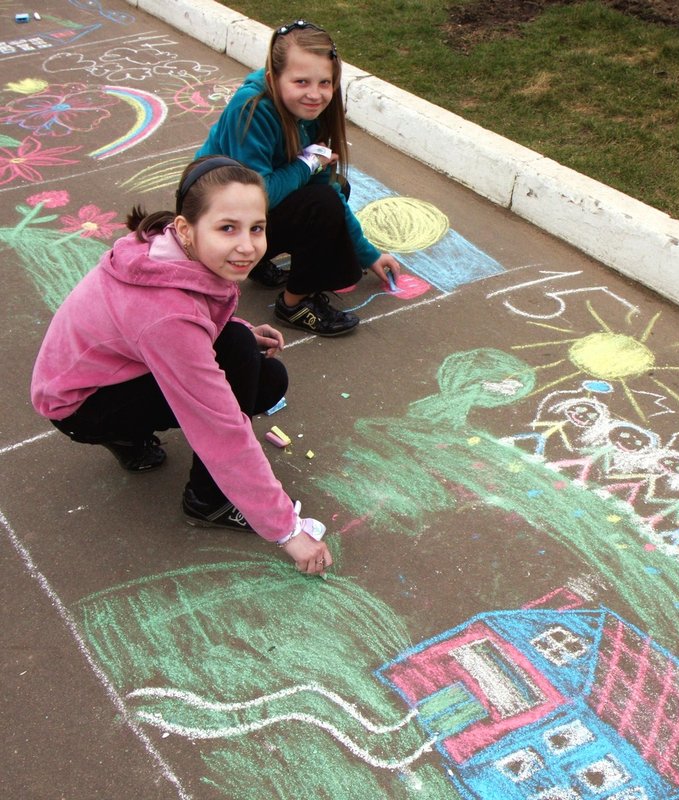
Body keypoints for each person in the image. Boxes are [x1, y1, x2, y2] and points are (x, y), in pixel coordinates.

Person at [30, 156, 332, 575]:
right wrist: (285, 530)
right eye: (228, 228)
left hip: (90, 378)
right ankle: (206, 501)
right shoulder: (167, 317)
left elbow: (172, 316)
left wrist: (236, 326)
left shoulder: (161, 246)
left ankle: (130, 441)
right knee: (243, 365)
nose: (247, 246)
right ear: (187, 228)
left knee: (253, 358)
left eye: (256, 228)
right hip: (79, 406)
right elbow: (219, 427)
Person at [196, 18, 401, 337]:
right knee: (320, 206)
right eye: (301, 82)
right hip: (214, 223)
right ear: (273, 78)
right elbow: (255, 194)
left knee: (334, 192)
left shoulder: (310, 113)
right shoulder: (251, 109)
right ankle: (294, 304)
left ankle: (257, 260)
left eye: (325, 83)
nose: (316, 95)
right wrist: (307, 166)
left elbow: (328, 189)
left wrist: (368, 253)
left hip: (243, 218)